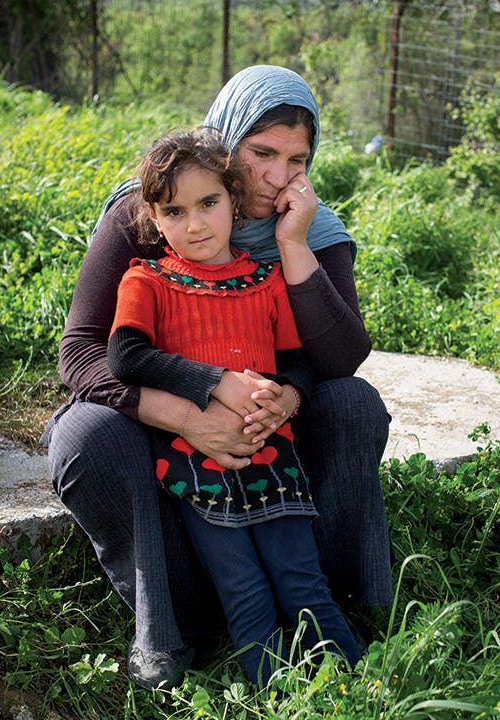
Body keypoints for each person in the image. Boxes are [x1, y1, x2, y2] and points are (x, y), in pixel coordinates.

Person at [41, 65, 392, 691]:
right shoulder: (153, 209)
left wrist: (291, 247)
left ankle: (323, 608)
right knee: (86, 436)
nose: (278, 177)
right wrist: (187, 414)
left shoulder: (314, 227)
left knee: (355, 403)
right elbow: (84, 352)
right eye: (261, 154)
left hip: (264, 430)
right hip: (167, 420)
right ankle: (165, 627)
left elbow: (339, 359)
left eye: (296, 159)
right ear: (226, 140)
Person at [106, 127, 361, 686]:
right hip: (197, 465)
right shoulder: (146, 281)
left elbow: (297, 360)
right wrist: (212, 380)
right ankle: (278, 695)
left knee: (301, 579)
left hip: (273, 457)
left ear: (232, 198)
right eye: (173, 211)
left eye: (209, 203)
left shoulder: (265, 280)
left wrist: (286, 398)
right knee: (243, 588)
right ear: (151, 216)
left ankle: (362, 685)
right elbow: (125, 356)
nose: (195, 224)